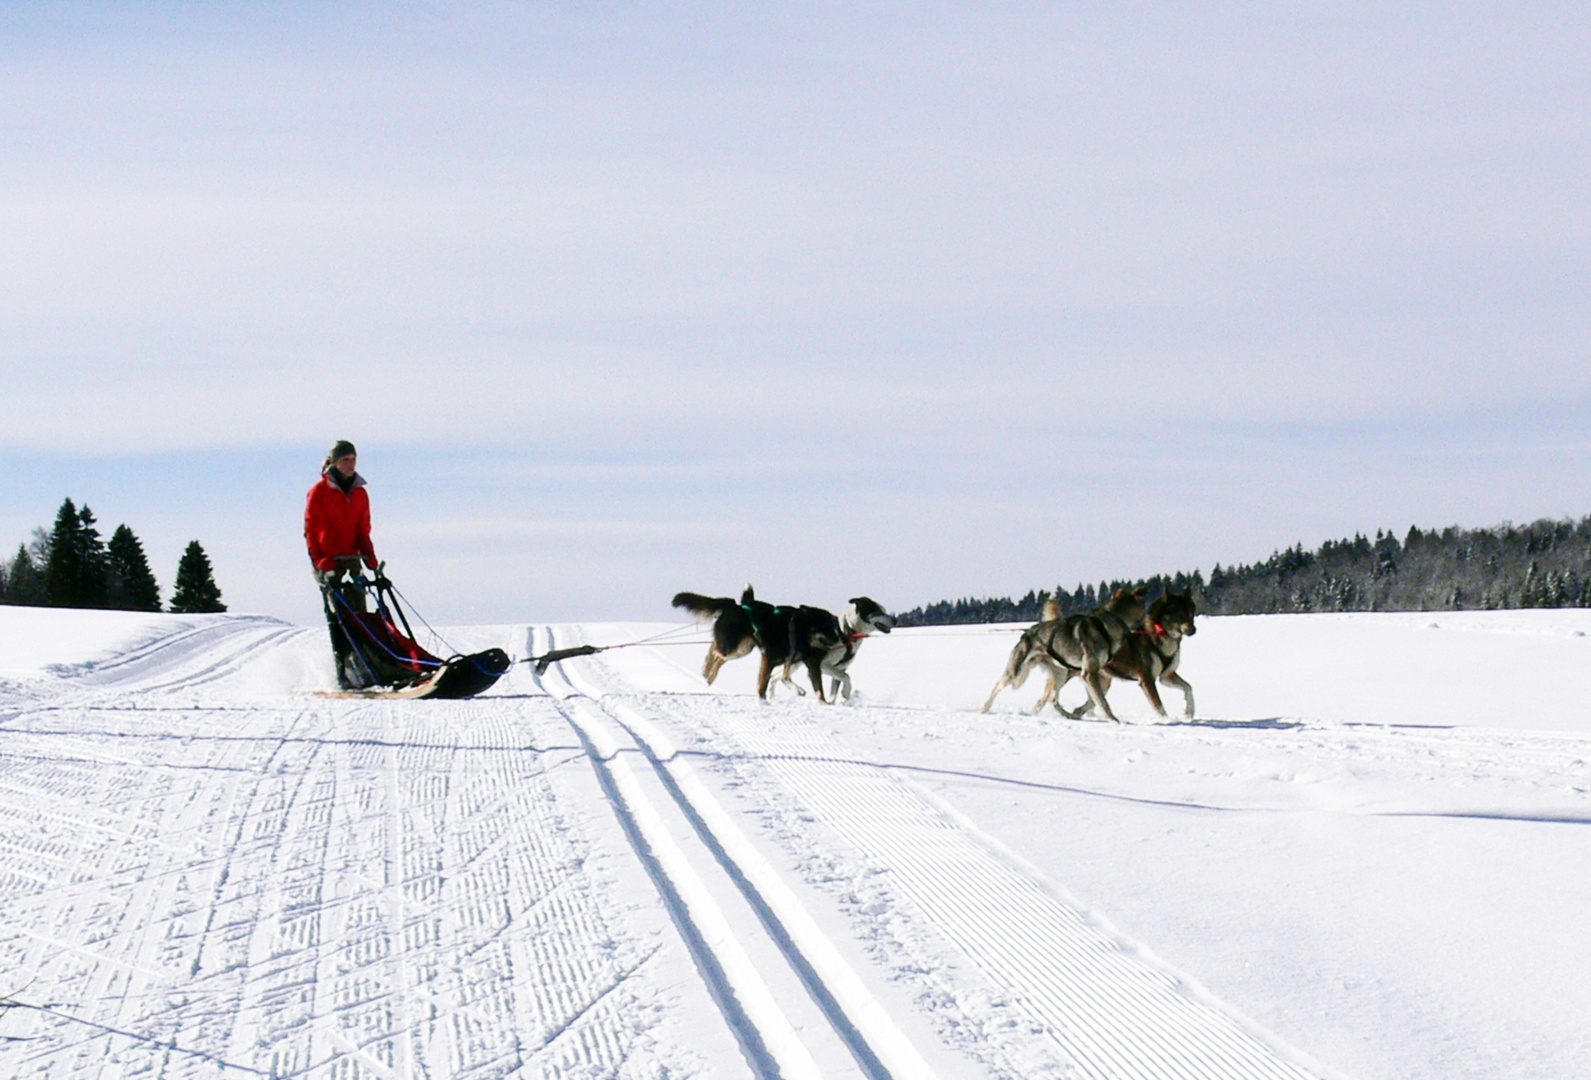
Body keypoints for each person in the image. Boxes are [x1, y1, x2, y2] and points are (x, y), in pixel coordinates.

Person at [305, 440, 380, 688]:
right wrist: (322, 562)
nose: (350, 464)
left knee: (360, 612)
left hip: (352, 559)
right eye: (345, 459)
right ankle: (342, 672)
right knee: (338, 615)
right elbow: (311, 532)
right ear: (334, 462)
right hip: (327, 561)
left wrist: (370, 557)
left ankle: (365, 664)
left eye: (353, 459)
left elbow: (363, 530)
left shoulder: (360, 493)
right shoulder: (320, 492)